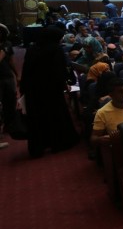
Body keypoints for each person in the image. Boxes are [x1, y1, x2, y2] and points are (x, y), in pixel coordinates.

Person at [20, 26, 79, 158]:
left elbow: (26, 70)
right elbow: (59, 70)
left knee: (38, 117)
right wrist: (65, 84)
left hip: (33, 89)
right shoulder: (55, 49)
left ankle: (39, 146)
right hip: (51, 89)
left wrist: (23, 88)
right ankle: (58, 143)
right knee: (55, 115)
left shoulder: (32, 49)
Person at [0, 24, 19, 145]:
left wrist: (17, 75)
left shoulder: (7, 44)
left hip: (7, 76)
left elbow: (11, 60)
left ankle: (10, 124)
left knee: (10, 100)